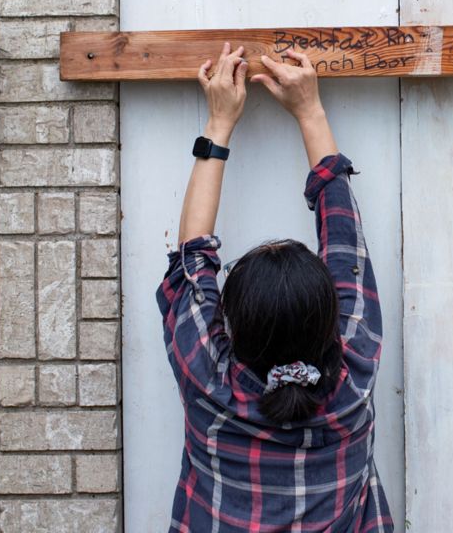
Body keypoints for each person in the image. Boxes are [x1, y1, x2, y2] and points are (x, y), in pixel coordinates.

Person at [156, 42, 392, 532]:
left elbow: (191, 255)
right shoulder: (352, 377)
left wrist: (219, 124)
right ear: (331, 320)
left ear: (232, 326)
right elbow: (346, 239)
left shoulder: (208, 376)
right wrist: (310, 110)